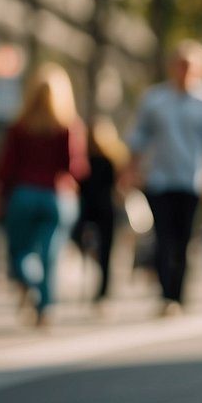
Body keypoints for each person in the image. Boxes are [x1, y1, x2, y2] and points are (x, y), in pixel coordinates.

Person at [125, 40, 202, 315]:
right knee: (164, 238)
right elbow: (138, 137)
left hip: (195, 182)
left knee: (186, 240)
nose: (184, 71)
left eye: (190, 66)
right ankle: (167, 296)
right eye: (180, 65)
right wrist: (130, 169)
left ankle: (180, 293)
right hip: (159, 180)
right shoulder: (154, 100)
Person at [0, 64, 88, 327]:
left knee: (21, 250)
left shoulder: (20, 126)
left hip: (23, 194)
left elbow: (5, 167)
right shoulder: (69, 126)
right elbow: (74, 167)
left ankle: (30, 281)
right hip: (57, 196)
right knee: (50, 253)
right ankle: (45, 306)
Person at [73, 118, 129, 305]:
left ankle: (103, 291)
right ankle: (101, 289)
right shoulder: (86, 159)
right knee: (102, 250)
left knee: (105, 251)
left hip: (100, 209)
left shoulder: (108, 160)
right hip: (92, 209)